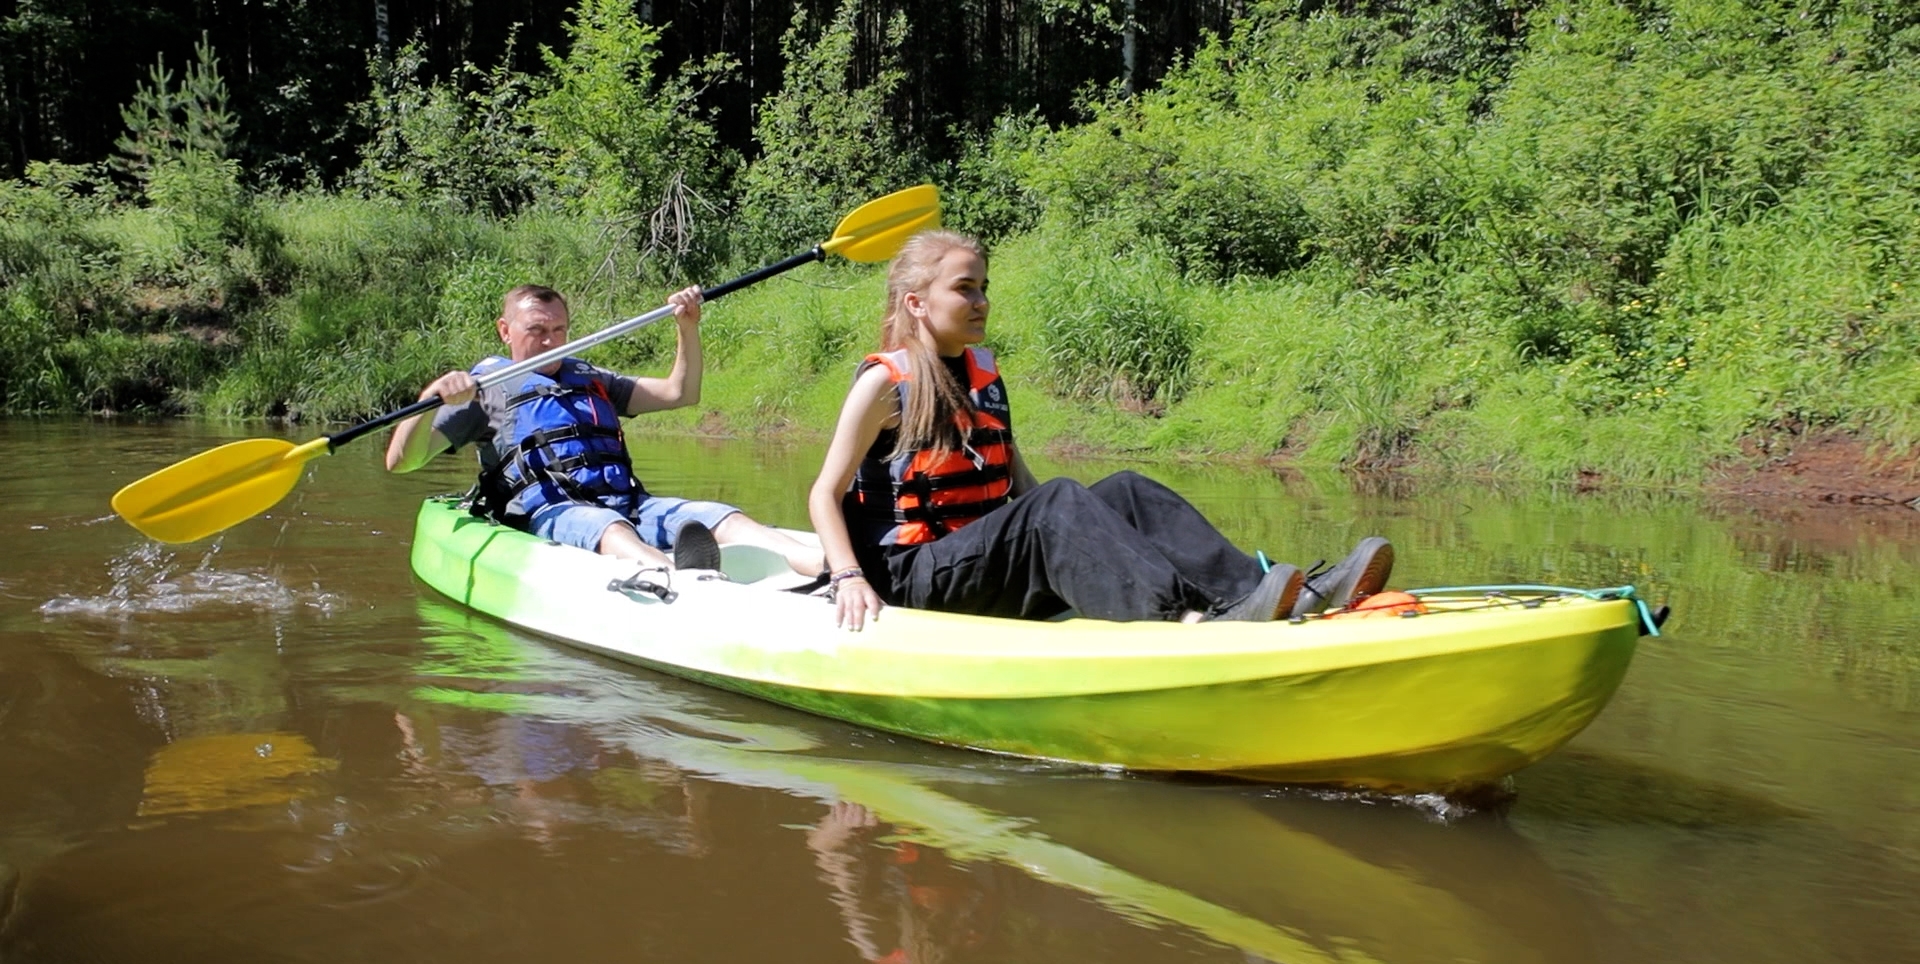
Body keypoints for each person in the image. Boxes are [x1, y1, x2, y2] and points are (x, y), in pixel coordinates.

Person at [805, 230, 1393, 630]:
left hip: (978, 559)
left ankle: (1260, 594)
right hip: (914, 576)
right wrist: (851, 578)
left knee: (1126, 491)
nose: (981, 300)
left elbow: (1022, 492)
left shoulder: (982, 374)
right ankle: (1181, 622)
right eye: (964, 288)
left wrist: (1099, 529)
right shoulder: (885, 384)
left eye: (983, 287)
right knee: (1061, 501)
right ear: (915, 302)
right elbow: (824, 494)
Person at [387, 284, 824, 575]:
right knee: (611, 528)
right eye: (536, 331)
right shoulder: (487, 390)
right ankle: (676, 582)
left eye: (559, 330)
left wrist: (687, 327)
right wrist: (431, 399)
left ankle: (826, 566)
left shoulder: (588, 376)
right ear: (505, 330)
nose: (550, 342)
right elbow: (402, 462)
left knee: (721, 516)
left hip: (631, 503)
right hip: (553, 514)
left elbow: (679, 393)